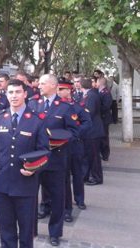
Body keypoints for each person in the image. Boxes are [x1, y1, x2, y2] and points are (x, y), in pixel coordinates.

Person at [0, 79, 49, 248]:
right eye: (10, 92)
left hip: (25, 184)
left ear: (25, 94)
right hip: (1, 185)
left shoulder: (37, 120)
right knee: (6, 230)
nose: (14, 96)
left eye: (18, 92)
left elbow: (44, 153)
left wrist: (34, 169)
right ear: (6, 94)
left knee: (26, 232)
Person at [28, 74, 78, 246]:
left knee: (57, 197)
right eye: (39, 83)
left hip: (56, 159)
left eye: (43, 83)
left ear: (53, 85)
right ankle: (31, 229)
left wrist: (60, 140)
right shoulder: (33, 103)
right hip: (35, 159)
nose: (39, 86)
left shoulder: (64, 107)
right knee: (31, 195)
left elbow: (73, 131)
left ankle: (55, 232)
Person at [57, 77, 92, 222]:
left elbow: (87, 123)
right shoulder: (56, 106)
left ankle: (79, 199)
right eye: (57, 89)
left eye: (61, 89)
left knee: (77, 174)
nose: (58, 92)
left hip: (75, 145)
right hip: (60, 147)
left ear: (68, 90)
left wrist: (74, 133)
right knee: (63, 177)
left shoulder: (77, 107)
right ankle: (65, 205)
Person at [80, 78, 105, 186]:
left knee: (94, 156)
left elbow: (88, 112)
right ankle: (86, 175)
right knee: (88, 155)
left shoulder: (91, 96)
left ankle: (97, 177)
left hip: (93, 130)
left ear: (81, 85)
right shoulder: (88, 95)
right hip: (90, 131)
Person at [95, 77, 112, 161]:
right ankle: (100, 152)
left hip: (104, 118)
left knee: (104, 137)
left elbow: (106, 106)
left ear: (100, 83)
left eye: (97, 82)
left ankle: (105, 154)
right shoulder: (98, 91)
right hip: (100, 118)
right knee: (100, 136)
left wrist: (96, 109)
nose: (95, 83)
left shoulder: (106, 93)